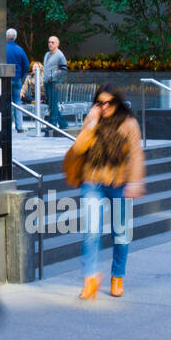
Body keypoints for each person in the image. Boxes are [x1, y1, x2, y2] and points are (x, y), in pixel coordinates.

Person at [68, 84, 146, 300]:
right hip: (92, 182)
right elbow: (79, 148)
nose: (104, 107)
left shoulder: (129, 124)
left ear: (117, 102)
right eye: (99, 103)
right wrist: (91, 123)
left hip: (119, 184)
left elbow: (136, 155)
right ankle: (90, 279)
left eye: (109, 102)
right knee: (91, 232)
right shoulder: (93, 120)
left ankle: (117, 277)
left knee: (120, 234)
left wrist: (135, 181)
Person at [6, 28, 31, 133]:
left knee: (5, 102)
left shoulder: (2, 49)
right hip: (17, 79)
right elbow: (26, 65)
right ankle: (19, 127)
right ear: (15, 38)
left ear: (6, 37)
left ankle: (5, 126)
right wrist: (21, 75)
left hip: (4, 79)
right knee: (17, 102)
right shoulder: (19, 49)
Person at [43, 35, 68, 132]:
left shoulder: (60, 55)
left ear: (57, 44)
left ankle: (52, 124)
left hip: (55, 83)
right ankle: (63, 123)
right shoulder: (46, 54)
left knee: (53, 103)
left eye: (53, 42)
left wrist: (53, 77)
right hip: (46, 82)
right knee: (51, 103)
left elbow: (63, 70)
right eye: (49, 42)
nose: (50, 44)